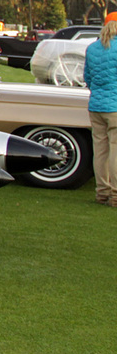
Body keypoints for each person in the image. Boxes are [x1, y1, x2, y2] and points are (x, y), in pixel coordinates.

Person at [83, 10, 117, 207]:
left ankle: (102, 192)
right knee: (115, 151)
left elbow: (87, 78)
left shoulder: (93, 48)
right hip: (115, 107)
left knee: (101, 151)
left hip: (96, 105)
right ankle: (115, 194)